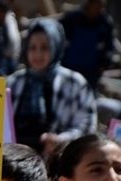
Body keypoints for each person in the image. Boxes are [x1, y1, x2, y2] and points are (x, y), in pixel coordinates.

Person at [7, 18, 97, 157]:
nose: (38, 54)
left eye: (45, 47)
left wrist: (60, 141)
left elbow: (86, 128)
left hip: (57, 164)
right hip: (15, 162)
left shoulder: (75, 84)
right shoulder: (13, 82)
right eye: (32, 47)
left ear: (56, 46)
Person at [61, 0, 119, 88]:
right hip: (70, 67)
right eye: (96, 4)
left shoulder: (105, 23)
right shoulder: (72, 19)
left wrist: (104, 63)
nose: (98, 8)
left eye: (101, 5)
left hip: (91, 71)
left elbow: (109, 47)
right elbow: (60, 38)